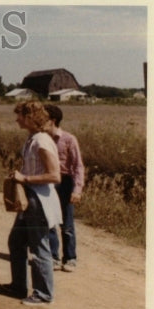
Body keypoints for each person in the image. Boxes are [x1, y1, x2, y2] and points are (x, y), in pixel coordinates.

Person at [4, 100, 62, 306]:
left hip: (39, 200)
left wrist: (25, 179)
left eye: (19, 115)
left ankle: (44, 294)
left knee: (39, 247)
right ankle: (18, 285)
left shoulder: (42, 142)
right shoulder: (32, 139)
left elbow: (55, 176)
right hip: (30, 198)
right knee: (16, 242)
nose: (17, 119)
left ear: (29, 117)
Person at [44, 104, 85, 272]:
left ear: (52, 121)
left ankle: (70, 258)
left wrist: (77, 189)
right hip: (48, 182)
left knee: (67, 223)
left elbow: (78, 166)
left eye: (43, 117)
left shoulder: (69, 139)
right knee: (50, 221)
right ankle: (53, 256)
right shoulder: (42, 139)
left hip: (65, 182)